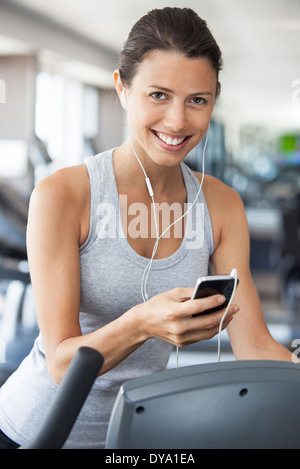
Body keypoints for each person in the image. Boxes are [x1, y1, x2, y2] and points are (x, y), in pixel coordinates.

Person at [0, 7, 293, 449]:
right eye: (158, 95)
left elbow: (253, 345)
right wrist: (142, 324)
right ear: (122, 88)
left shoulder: (221, 203)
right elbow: (63, 364)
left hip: (138, 435)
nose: (177, 121)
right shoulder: (64, 195)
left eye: (197, 100)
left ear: (215, 98)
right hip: (37, 431)